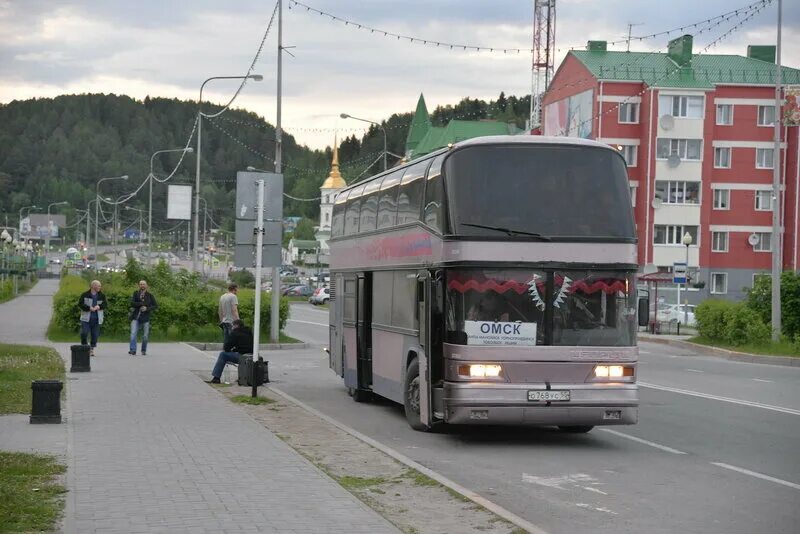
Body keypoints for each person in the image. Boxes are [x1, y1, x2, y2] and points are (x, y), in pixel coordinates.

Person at [207, 319, 253, 384]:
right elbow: (245, 346)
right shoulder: (249, 332)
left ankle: (216, 378)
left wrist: (230, 350)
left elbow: (227, 347)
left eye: (232, 326)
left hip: (242, 356)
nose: (232, 328)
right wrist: (235, 350)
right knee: (230, 354)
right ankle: (243, 377)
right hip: (252, 356)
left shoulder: (235, 333)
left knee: (223, 355)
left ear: (236, 325)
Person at [129, 280, 158, 356]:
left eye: (143, 284)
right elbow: (132, 303)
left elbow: (155, 306)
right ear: (139, 285)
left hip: (145, 318)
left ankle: (143, 350)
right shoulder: (135, 294)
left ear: (146, 286)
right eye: (141, 284)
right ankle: (133, 350)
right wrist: (141, 304)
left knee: (145, 336)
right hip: (136, 317)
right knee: (133, 334)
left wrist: (146, 308)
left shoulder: (150, 295)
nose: (142, 285)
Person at [78, 280, 107, 356]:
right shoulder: (85, 294)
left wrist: (99, 306)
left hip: (97, 319)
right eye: (98, 286)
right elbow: (80, 304)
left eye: (100, 286)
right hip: (86, 319)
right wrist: (89, 308)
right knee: (84, 333)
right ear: (93, 286)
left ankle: (91, 349)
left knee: (95, 335)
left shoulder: (102, 295)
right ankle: (84, 347)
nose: (100, 287)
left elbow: (105, 304)